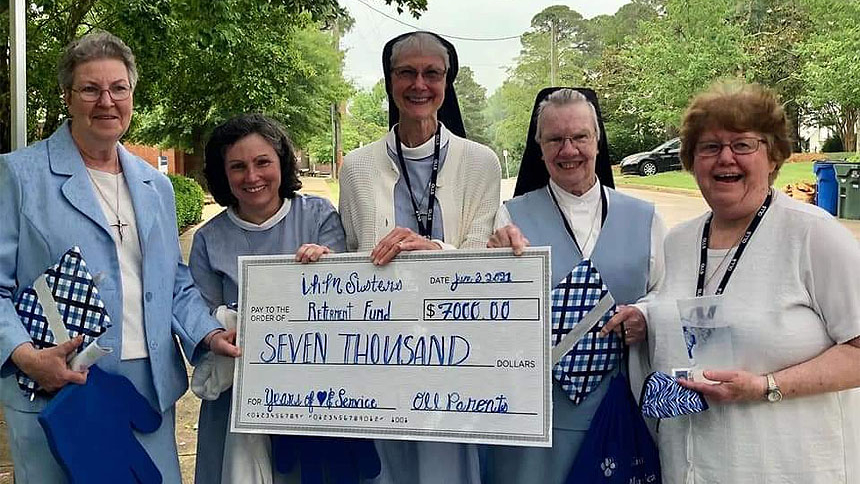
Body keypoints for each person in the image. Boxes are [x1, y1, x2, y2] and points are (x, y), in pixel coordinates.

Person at [0, 31, 237, 482]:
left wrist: (208, 335)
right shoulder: (19, 175)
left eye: (118, 88)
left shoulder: (156, 186)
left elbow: (173, 282)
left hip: (147, 388)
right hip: (62, 387)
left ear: (132, 94)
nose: (105, 101)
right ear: (68, 97)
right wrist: (27, 357)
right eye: (90, 89)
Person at [647, 80, 860, 483]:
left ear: (774, 157)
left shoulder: (812, 235)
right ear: (692, 161)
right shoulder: (677, 243)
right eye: (709, 147)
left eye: (743, 144)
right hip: (692, 469)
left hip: (790, 469)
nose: (725, 158)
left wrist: (767, 386)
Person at [339, 31, 501, 483]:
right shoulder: (357, 167)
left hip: (455, 358)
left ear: (447, 82)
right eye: (406, 72)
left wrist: (435, 251)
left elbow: (480, 260)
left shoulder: (481, 163)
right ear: (390, 81)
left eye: (432, 73)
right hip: (378, 358)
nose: (419, 84)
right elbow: (350, 257)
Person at [483, 87, 666, 483]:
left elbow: (665, 295)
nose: (569, 150)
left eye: (579, 137)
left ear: (597, 141)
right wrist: (493, 261)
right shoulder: (509, 217)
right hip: (538, 425)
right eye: (555, 139)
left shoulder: (646, 218)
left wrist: (646, 315)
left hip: (621, 413)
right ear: (540, 147)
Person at [190, 113, 346, 483]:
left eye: (263, 162)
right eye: (238, 166)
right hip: (238, 401)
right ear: (222, 174)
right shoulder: (209, 239)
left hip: (312, 396)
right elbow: (201, 318)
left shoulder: (319, 217)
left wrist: (328, 269)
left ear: (282, 161)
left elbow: (345, 302)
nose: (252, 176)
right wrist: (221, 331)